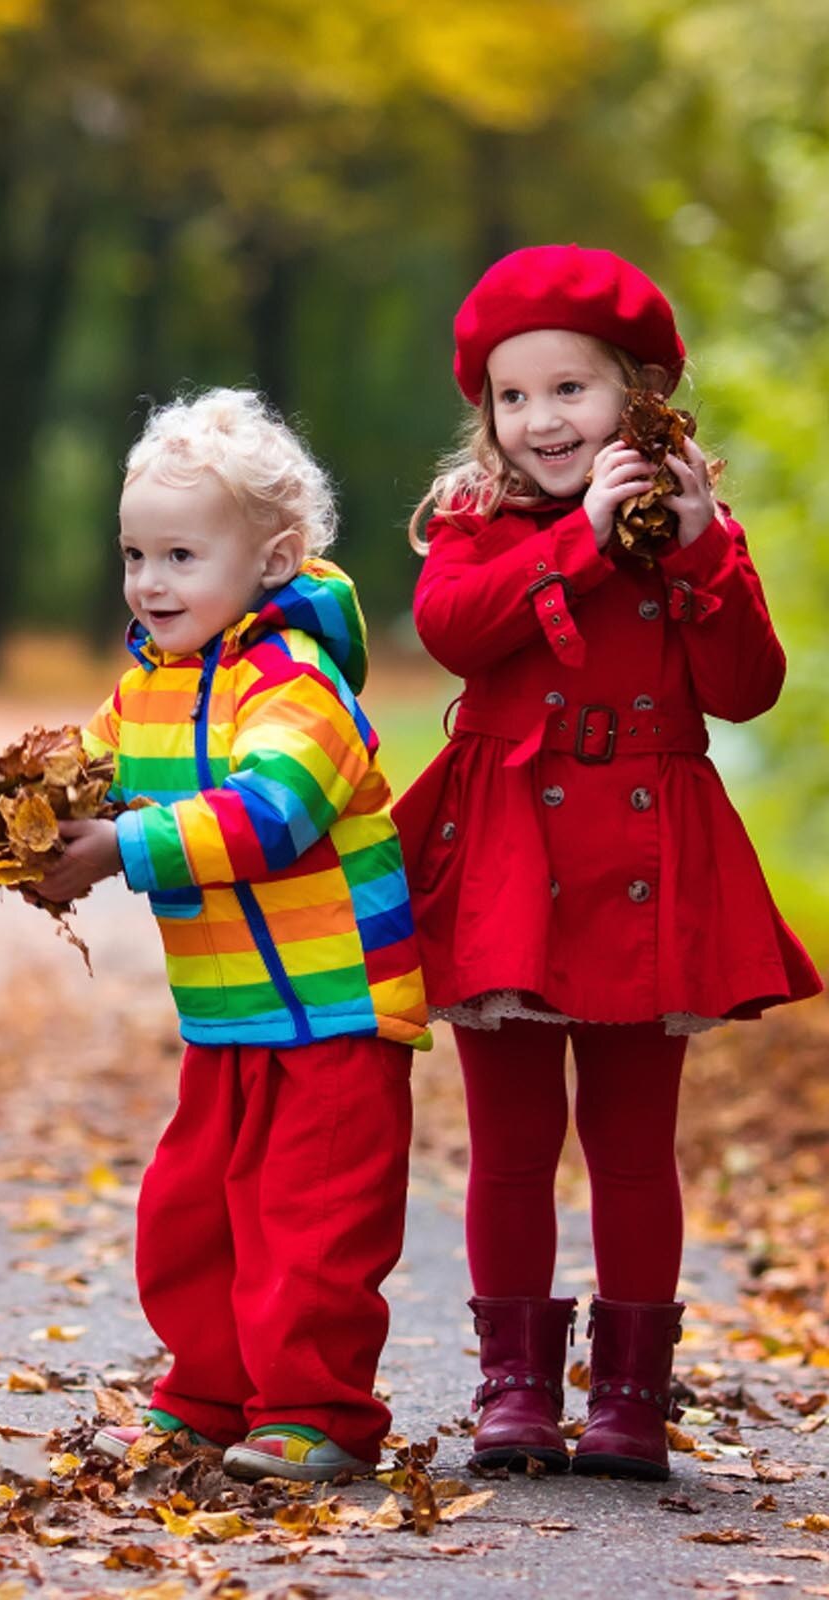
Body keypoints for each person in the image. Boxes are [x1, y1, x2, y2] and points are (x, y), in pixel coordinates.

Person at [393, 244, 821, 1481]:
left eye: (569, 389)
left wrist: (692, 550)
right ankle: (515, 1386)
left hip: (645, 857)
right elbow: (454, 631)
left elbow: (746, 688)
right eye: (512, 396)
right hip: (509, 855)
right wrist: (577, 543)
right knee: (512, 1142)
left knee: (633, 1146)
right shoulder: (476, 524)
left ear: (639, 395)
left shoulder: (695, 533)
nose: (540, 419)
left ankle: (632, 1394)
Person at [37, 387, 431, 1482]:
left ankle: (315, 1410)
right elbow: (88, 770)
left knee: (310, 1223)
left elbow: (273, 815)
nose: (150, 582)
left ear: (272, 561)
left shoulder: (300, 686)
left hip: (337, 1008)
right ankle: (208, 1394)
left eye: (180, 556)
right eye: (134, 555)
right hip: (229, 1013)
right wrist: (27, 814)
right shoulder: (148, 691)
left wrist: (123, 847)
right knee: (193, 1214)